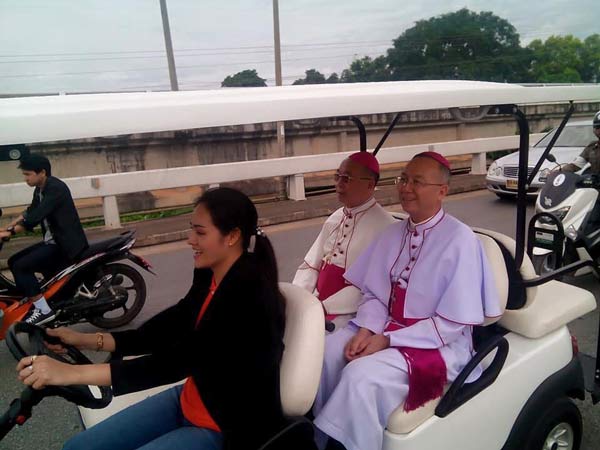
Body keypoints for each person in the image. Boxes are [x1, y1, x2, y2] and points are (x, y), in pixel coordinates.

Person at [16, 187, 313, 450]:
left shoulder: (249, 294)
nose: (190, 240)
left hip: (226, 426)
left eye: (200, 233)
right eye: (191, 230)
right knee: (78, 447)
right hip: (192, 397)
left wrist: (70, 373)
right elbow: (171, 326)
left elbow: (176, 362)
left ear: (232, 236)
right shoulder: (211, 273)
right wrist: (85, 339)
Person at [311, 152, 502, 450]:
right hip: (385, 328)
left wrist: (387, 340)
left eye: (417, 182)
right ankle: (320, 439)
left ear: (442, 191)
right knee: (326, 352)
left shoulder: (461, 241)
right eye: (403, 179)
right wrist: (367, 329)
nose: (406, 188)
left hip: (437, 345)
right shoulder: (392, 233)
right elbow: (375, 293)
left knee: (360, 377)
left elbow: (451, 324)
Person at [293, 151, 394, 327]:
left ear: (370, 185)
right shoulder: (336, 217)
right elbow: (311, 265)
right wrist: (299, 297)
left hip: (350, 313)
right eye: (337, 176)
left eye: (346, 179)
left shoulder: (386, 228)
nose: (338, 184)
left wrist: (323, 307)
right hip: (317, 303)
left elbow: (370, 288)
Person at [0, 154, 88, 325]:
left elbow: (35, 217)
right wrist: (6, 227)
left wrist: (9, 233)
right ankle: (35, 296)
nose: (25, 178)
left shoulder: (55, 188)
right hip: (53, 242)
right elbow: (31, 211)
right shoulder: (40, 189)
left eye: (28, 174)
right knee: (13, 261)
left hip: (65, 245)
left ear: (42, 172)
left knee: (21, 266)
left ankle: (43, 310)